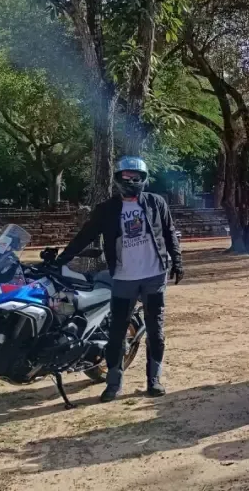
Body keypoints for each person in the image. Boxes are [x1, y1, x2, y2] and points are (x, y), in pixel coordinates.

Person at [56, 156, 183, 401]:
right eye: (126, 177)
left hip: (154, 276)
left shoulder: (157, 203)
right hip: (123, 278)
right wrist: (63, 258)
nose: (131, 181)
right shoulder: (107, 209)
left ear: (144, 180)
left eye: (137, 178)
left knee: (155, 330)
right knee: (116, 332)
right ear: (118, 179)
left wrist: (177, 260)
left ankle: (154, 380)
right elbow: (86, 235)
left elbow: (169, 232)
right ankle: (113, 383)